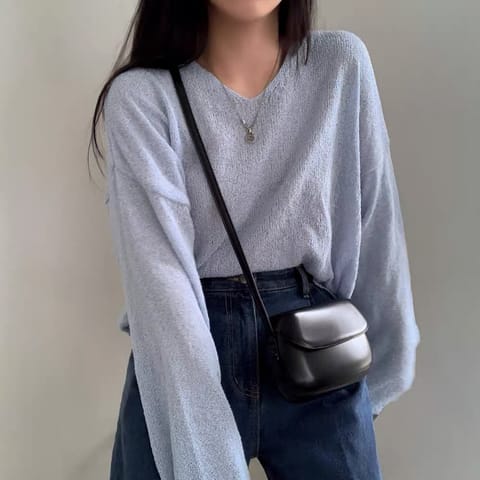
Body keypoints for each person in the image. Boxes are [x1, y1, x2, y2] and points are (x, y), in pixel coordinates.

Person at [88, 1, 421, 479]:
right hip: (182, 346)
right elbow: (159, 282)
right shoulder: (143, 96)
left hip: (315, 349)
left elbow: (377, 229)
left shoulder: (339, 65)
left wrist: (383, 369)